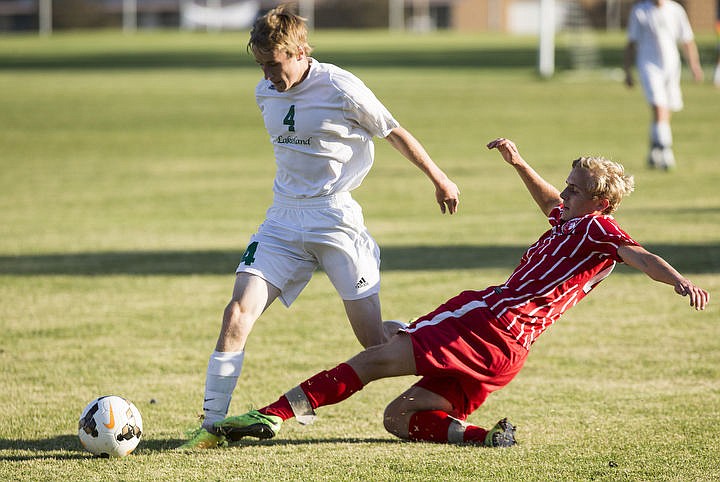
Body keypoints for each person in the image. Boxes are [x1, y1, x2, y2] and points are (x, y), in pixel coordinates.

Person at [204, 138, 709, 449]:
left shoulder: (599, 229)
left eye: (575, 188)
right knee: (400, 419)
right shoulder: (571, 221)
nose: (566, 192)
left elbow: (641, 257)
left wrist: (678, 279)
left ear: (600, 201)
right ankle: (485, 438)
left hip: (490, 320)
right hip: (509, 352)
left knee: (375, 358)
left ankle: (272, 415)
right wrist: (517, 163)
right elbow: (551, 202)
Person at [178, 5, 460, 450]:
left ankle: (435, 349)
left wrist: (439, 178)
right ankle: (210, 426)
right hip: (282, 220)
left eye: (275, 63)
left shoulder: (340, 86)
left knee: (373, 342)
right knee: (236, 313)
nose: (268, 74)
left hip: (336, 220)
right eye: (261, 64)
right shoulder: (265, 92)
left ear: (300, 50)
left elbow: (393, 131)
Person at [623, 0, 703, 170]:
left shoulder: (676, 10)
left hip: (672, 66)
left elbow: (687, 40)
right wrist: (628, 70)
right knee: (659, 107)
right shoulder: (640, 11)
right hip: (649, 65)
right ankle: (666, 152)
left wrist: (694, 65)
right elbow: (631, 42)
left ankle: (654, 150)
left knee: (666, 109)